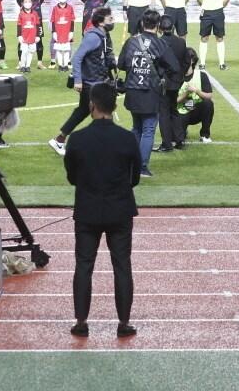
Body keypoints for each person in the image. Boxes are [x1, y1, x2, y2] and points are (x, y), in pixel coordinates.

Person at [64, 82, 140, 339]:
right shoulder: (127, 138)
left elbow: (72, 176)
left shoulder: (78, 138)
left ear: (91, 105)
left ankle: (81, 321)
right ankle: (124, 322)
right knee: (122, 266)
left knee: (84, 265)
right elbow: (135, 178)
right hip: (120, 209)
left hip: (87, 209)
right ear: (115, 106)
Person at [118, 9, 179, 177]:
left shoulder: (132, 41)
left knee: (136, 128)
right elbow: (174, 67)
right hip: (151, 91)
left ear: (142, 23)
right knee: (149, 128)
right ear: (158, 25)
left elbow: (121, 64)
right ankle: (142, 167)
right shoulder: (160, 44)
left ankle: (130, 164)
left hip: (132, 90)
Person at [50, 8, 115, 156]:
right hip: (91, 83)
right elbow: (77, 57)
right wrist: (78, 81)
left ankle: (60, 139)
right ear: (100, 22)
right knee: (101, 112)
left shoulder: (103, 35)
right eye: (110, 19)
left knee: (84, 111)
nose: (113, 21)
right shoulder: (93, 37)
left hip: (96, 81)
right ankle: (101, 143)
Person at [156, 16, 189, 152]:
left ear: (160, 28)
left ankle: (167, 144)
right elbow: (187, 61)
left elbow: (156, 64)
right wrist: (180, 76)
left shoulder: (158, 42)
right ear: (173, 27)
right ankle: (179, 140)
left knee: (163, 113)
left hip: (163, 82)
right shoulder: (181, 42)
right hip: (176, 82)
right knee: (174, 110)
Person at [196, 0, 232, 70]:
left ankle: (222, 64)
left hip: (218, 12)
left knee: (219, 37)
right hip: (206, 12)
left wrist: (220, 6)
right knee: (204, 37)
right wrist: (206, 5)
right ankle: (202, 63)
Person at [174, 48, 215, 144]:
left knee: (208, 104)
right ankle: (183, 130)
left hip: (195, 107)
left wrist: (196, 91)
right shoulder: (175, 77)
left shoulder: (201, 75)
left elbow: (209, 96)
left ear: (192, 60)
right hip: (180, 109)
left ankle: (205, 135)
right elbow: (173, 101)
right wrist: (186, 93)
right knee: (178, 138)